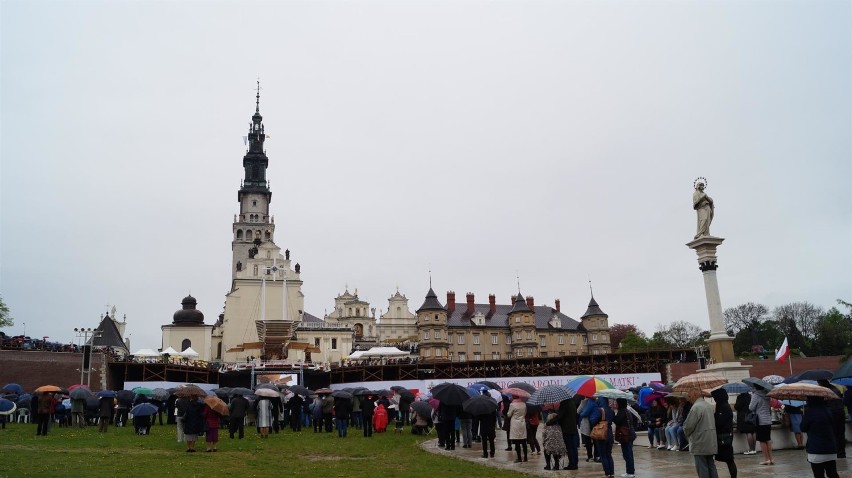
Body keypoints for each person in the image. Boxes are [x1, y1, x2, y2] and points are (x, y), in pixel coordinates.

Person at [800, 396, 840, 478]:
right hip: (830, 448)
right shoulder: (828, 411)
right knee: (832, 474)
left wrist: (804, 415)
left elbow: (803, 428)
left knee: (818, 475)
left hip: (816, 450)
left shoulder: (810, 412)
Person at [683, 387, 719, 478]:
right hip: (710, 440)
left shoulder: (696, 407)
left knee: (702, 467)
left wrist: (686, 434)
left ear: (695, 395)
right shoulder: (708, 405)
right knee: (711, 465)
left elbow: (688, 426)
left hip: (700, 441)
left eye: (689, 396)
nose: (689, 398)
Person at [711, 388, 737, 478]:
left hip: (724, 436)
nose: (714, 399)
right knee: (729, 459)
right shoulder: (721, 405)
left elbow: (720, 422)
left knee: (729, 460)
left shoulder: (724, 407)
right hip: (724, 435)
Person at [589, 396, 615, 478]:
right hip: (610, 433)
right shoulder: (611, 410)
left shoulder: (599, 410)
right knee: (609, 454)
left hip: (602, 434)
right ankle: (612, 473)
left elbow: (593, 421)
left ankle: (607, 473)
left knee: (603, 455)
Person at [748, 385, 774, 465]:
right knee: (768, 439)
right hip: (768, 419)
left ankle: (766, 459)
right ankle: (771, 458)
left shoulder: (756, 395)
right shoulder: (767, 394)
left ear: (756, 388)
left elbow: (751, 407)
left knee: (762, 440)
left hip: (760, 420)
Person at [613, 397, 636, 478]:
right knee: (629, 454)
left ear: (620, 403)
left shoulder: (622, 411)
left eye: (616, 402)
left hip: (626, 435)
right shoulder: (626, 410)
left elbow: (617, 421)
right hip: (630, 434)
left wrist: (613, 413)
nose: (615, 404)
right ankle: (630, 471)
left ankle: (630, 472)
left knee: (627, 454)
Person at [556, 396, 579, 470]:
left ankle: (572, 464)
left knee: (569, 448)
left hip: (567, 429)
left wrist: (549, 422)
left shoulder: (564, 404)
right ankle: (575, 463)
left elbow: (560, 417)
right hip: (573, 428)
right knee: (574, 447)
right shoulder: (572, 402)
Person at [506, 394, 528, 463]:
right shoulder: (523, 404)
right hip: (522, 423)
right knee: (524, 441)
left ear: (513, 397)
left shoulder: (512, 405)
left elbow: (509, 415)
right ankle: (525, 457)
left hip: (515, 424)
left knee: (517, 441)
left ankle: (519, 458)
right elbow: (525, 413)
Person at [578, 396, 600, 462]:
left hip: (589, 423)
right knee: (595, 440)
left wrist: (582, 413)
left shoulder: (589, 402)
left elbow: (582, 412)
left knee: (588, 441)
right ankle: (596, 456)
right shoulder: (597, 401)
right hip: (596, 421)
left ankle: (590, 456)